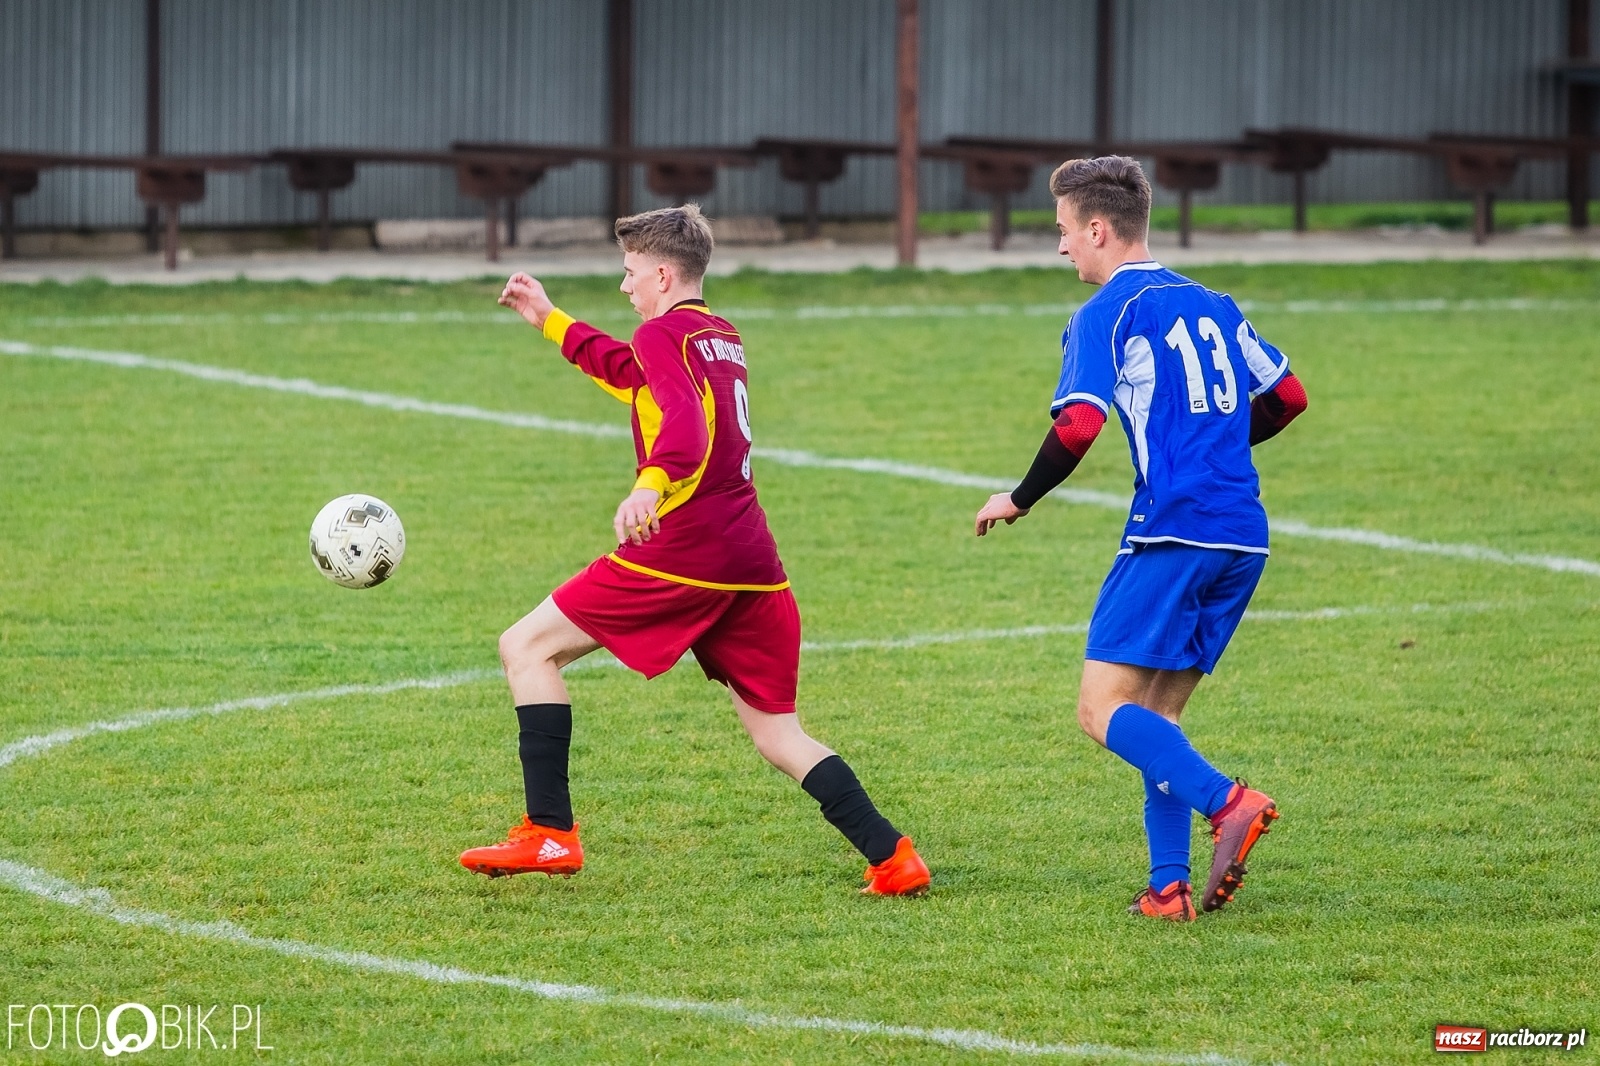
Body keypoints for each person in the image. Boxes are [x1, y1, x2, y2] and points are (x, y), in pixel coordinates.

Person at [461, 203, 930, 897]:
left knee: (525, 648)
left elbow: (682, 427)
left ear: (659, 273)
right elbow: (629, 372)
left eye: (627, 275)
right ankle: (893, 856)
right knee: (777, 734)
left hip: (685, 549)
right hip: (752, 560)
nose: (624, 288)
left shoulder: (663, 336)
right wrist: (548, 318)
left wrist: (650, 486)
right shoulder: (720, 335)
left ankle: (550, 834)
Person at [974, 157, 1307, 921]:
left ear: (1097, 229)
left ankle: (1229, 804)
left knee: (1100, 711)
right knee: (1156, 721)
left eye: (1062, 232)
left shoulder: (1105, 314)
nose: (1061, 248)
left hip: (1172, 530)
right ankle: (1169, 887)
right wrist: (1215, 443)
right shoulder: (1213, 302)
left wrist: (1019, 498)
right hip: (1241, 536)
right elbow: (1288, 396)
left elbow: (1080, 422)